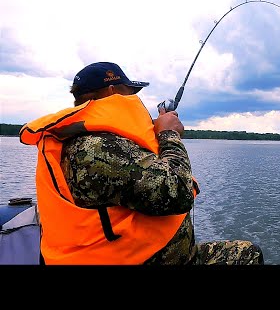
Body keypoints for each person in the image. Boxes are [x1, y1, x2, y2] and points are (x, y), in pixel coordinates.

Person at [19, 61, 264, 265]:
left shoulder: (80, 139)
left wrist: (155, 136)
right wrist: (170, 135)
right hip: (146, 259)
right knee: (248, 254)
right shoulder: (98, 148)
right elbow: (178, 193)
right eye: (131, 92)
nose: (135, 100)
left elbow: (135, 176)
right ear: (113, 92)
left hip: (123, 255)